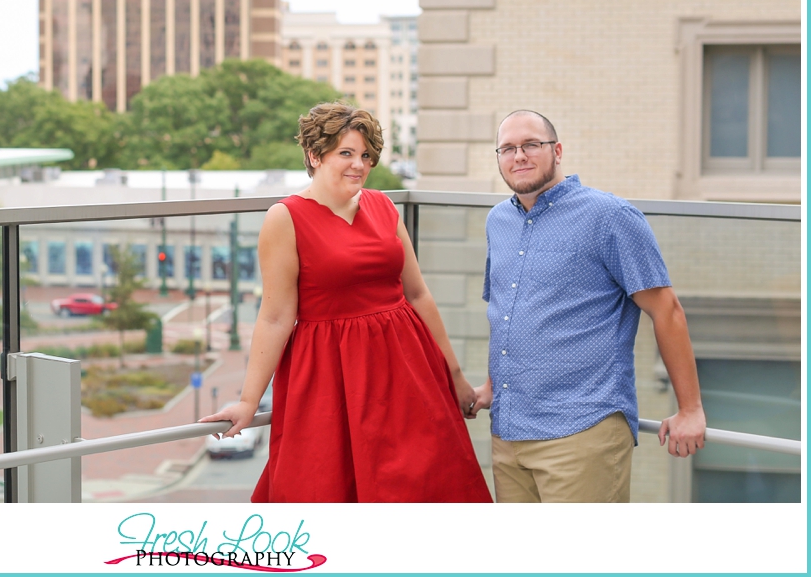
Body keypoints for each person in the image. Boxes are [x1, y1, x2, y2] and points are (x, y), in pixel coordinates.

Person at [201, 102, 491, 502]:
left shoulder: (384, 206)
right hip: (330, 374)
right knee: (330, 485)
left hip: (408, 368)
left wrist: (454, 374)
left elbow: (418, 293)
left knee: (425, 482)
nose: (360, 164)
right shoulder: (284, 218)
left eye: (366, 155)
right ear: (314, 155)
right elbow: (275, 316)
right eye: (346, 153)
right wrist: (250, 400)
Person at [469, 109, 706, 503]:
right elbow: (505, 312)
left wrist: (690, 408)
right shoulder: (498, 221)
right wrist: (494, 387)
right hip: (508, 435)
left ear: (557, 151)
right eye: (507, 148)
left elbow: (667, 310)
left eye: (531, 144)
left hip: (581, 431)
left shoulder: (610, 216)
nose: (519, 156)